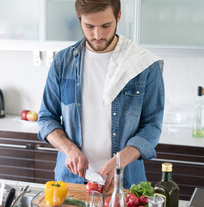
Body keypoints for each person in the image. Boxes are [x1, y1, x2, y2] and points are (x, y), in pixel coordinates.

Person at [37, 0, 164, 193]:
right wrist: (69, 149)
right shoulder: (62, 62)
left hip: (125, 183)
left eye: (106, 26)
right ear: (79, 20)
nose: (97, 35)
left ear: (118, 16)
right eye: (89, 26)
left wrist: (120, 160)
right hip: (71, 183)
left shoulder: (143, 65)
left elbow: (152, 126)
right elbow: (47, 119)